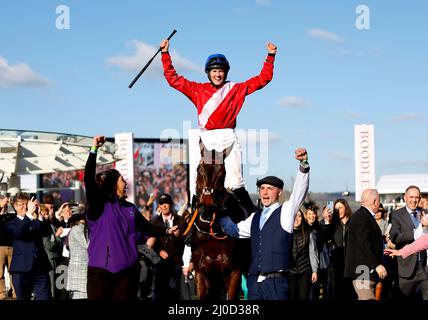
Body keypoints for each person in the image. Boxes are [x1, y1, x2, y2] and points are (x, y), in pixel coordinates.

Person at [160, 38, 277, 215]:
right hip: (207, 139)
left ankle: (254, 218)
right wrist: (165, 54)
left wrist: (270, 56)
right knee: (201, 183)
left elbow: (263, 79)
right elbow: (173, 79)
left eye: (221, 71)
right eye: (214, 71)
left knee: (235, 182)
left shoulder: (235, 89)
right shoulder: (197, 90)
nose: (218, 75)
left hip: (228, 137)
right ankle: (192, 226)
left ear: (226, 72)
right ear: (208, 73)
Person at [84, 135, 178, 300]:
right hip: (100, 272)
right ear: (113, 184)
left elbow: (148, 228)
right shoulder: (98, 205)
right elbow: (88, 181)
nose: (125, 183)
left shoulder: (130, 208)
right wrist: (94, 150)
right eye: (122, 180)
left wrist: (168, 230)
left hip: (128, 272)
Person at [219, 148, 310, 300]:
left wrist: (303, 164)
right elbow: (234, 230)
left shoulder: (286, 212)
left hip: (277, 283)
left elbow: (299, 192)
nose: (265, 192)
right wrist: (220, 211)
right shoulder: (255, 217)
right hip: (254, 283)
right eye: (262, 188)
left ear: (279, 192)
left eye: (270, 188)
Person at [5, 193, 52, 300]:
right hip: (21, 269)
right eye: (21, 204)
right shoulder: (10, 224)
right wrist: (29, 214)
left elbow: (46, 231)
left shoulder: (35, 222)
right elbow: (18, 232)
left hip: (40, 268)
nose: (25, 207)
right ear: (15, 206)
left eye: (27, 204)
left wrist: (39, 215)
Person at [344, 189, 387, 300]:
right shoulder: (362, 217)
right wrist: (377, 265)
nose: (379, 203)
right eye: (378, 200)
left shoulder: (364, 216)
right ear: (374, 201)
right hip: (362, 271)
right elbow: (364, 244)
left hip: (366, 271)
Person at [389, 185, 428, 299]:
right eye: (411, 197)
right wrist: (416, 233)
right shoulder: (396, 215)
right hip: (406, 269)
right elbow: (395, 237)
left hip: (424, 267)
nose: (414, 200)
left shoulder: (426, 213)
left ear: (420, 198)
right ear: (405, 197)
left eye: (417, 197)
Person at [151, 193, 185, 301]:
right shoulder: (154, 222)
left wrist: (179, 236)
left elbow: (188, 241)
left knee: (174, 293)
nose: (164, 206)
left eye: (166, 203)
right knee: (159, 293)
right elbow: (150, 241)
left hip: (176, 263)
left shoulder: (181, 221)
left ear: (171, 204)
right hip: (159, 264)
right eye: (161, 204)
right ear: (159, 206)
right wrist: (159, 251)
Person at [0, 194, 16, 299]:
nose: (6, 203)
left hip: (12, 246)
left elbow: (16, 216)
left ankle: (15, 293)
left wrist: (10, 205)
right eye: (5, 201)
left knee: (13, 272)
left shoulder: (10, 214)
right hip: (0, 247)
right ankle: (1, 294)